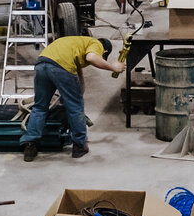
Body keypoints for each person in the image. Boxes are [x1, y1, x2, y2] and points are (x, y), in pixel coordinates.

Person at [20, 33, 124, 161]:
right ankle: (79, 147)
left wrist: (78, 92)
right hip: (60, 67)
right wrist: (114, 67)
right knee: (75, 108)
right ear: (104, 51)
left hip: (42, 64)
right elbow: (92, 58)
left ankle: (30, 146)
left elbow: (77, 77)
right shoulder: (96, 44)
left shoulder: (77, 44)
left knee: (40, 107)